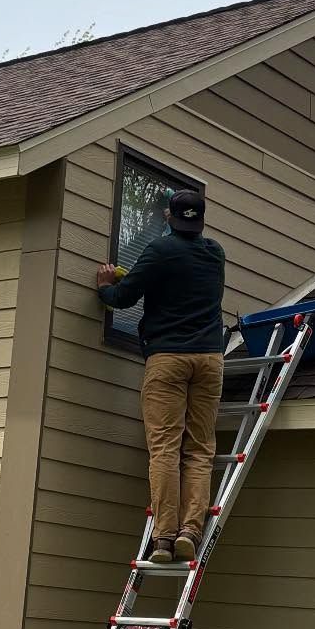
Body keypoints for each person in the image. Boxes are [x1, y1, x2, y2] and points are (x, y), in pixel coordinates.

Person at [96, 190, 226, 564]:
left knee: (166, 448)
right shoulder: (215, 253)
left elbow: (122, 297)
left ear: (168, 217)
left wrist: (106, 283)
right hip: (209, 359)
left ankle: (165, 538)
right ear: (199, 221)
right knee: (199, 449)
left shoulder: (159, 251)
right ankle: (190, 530)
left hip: (168, 358)